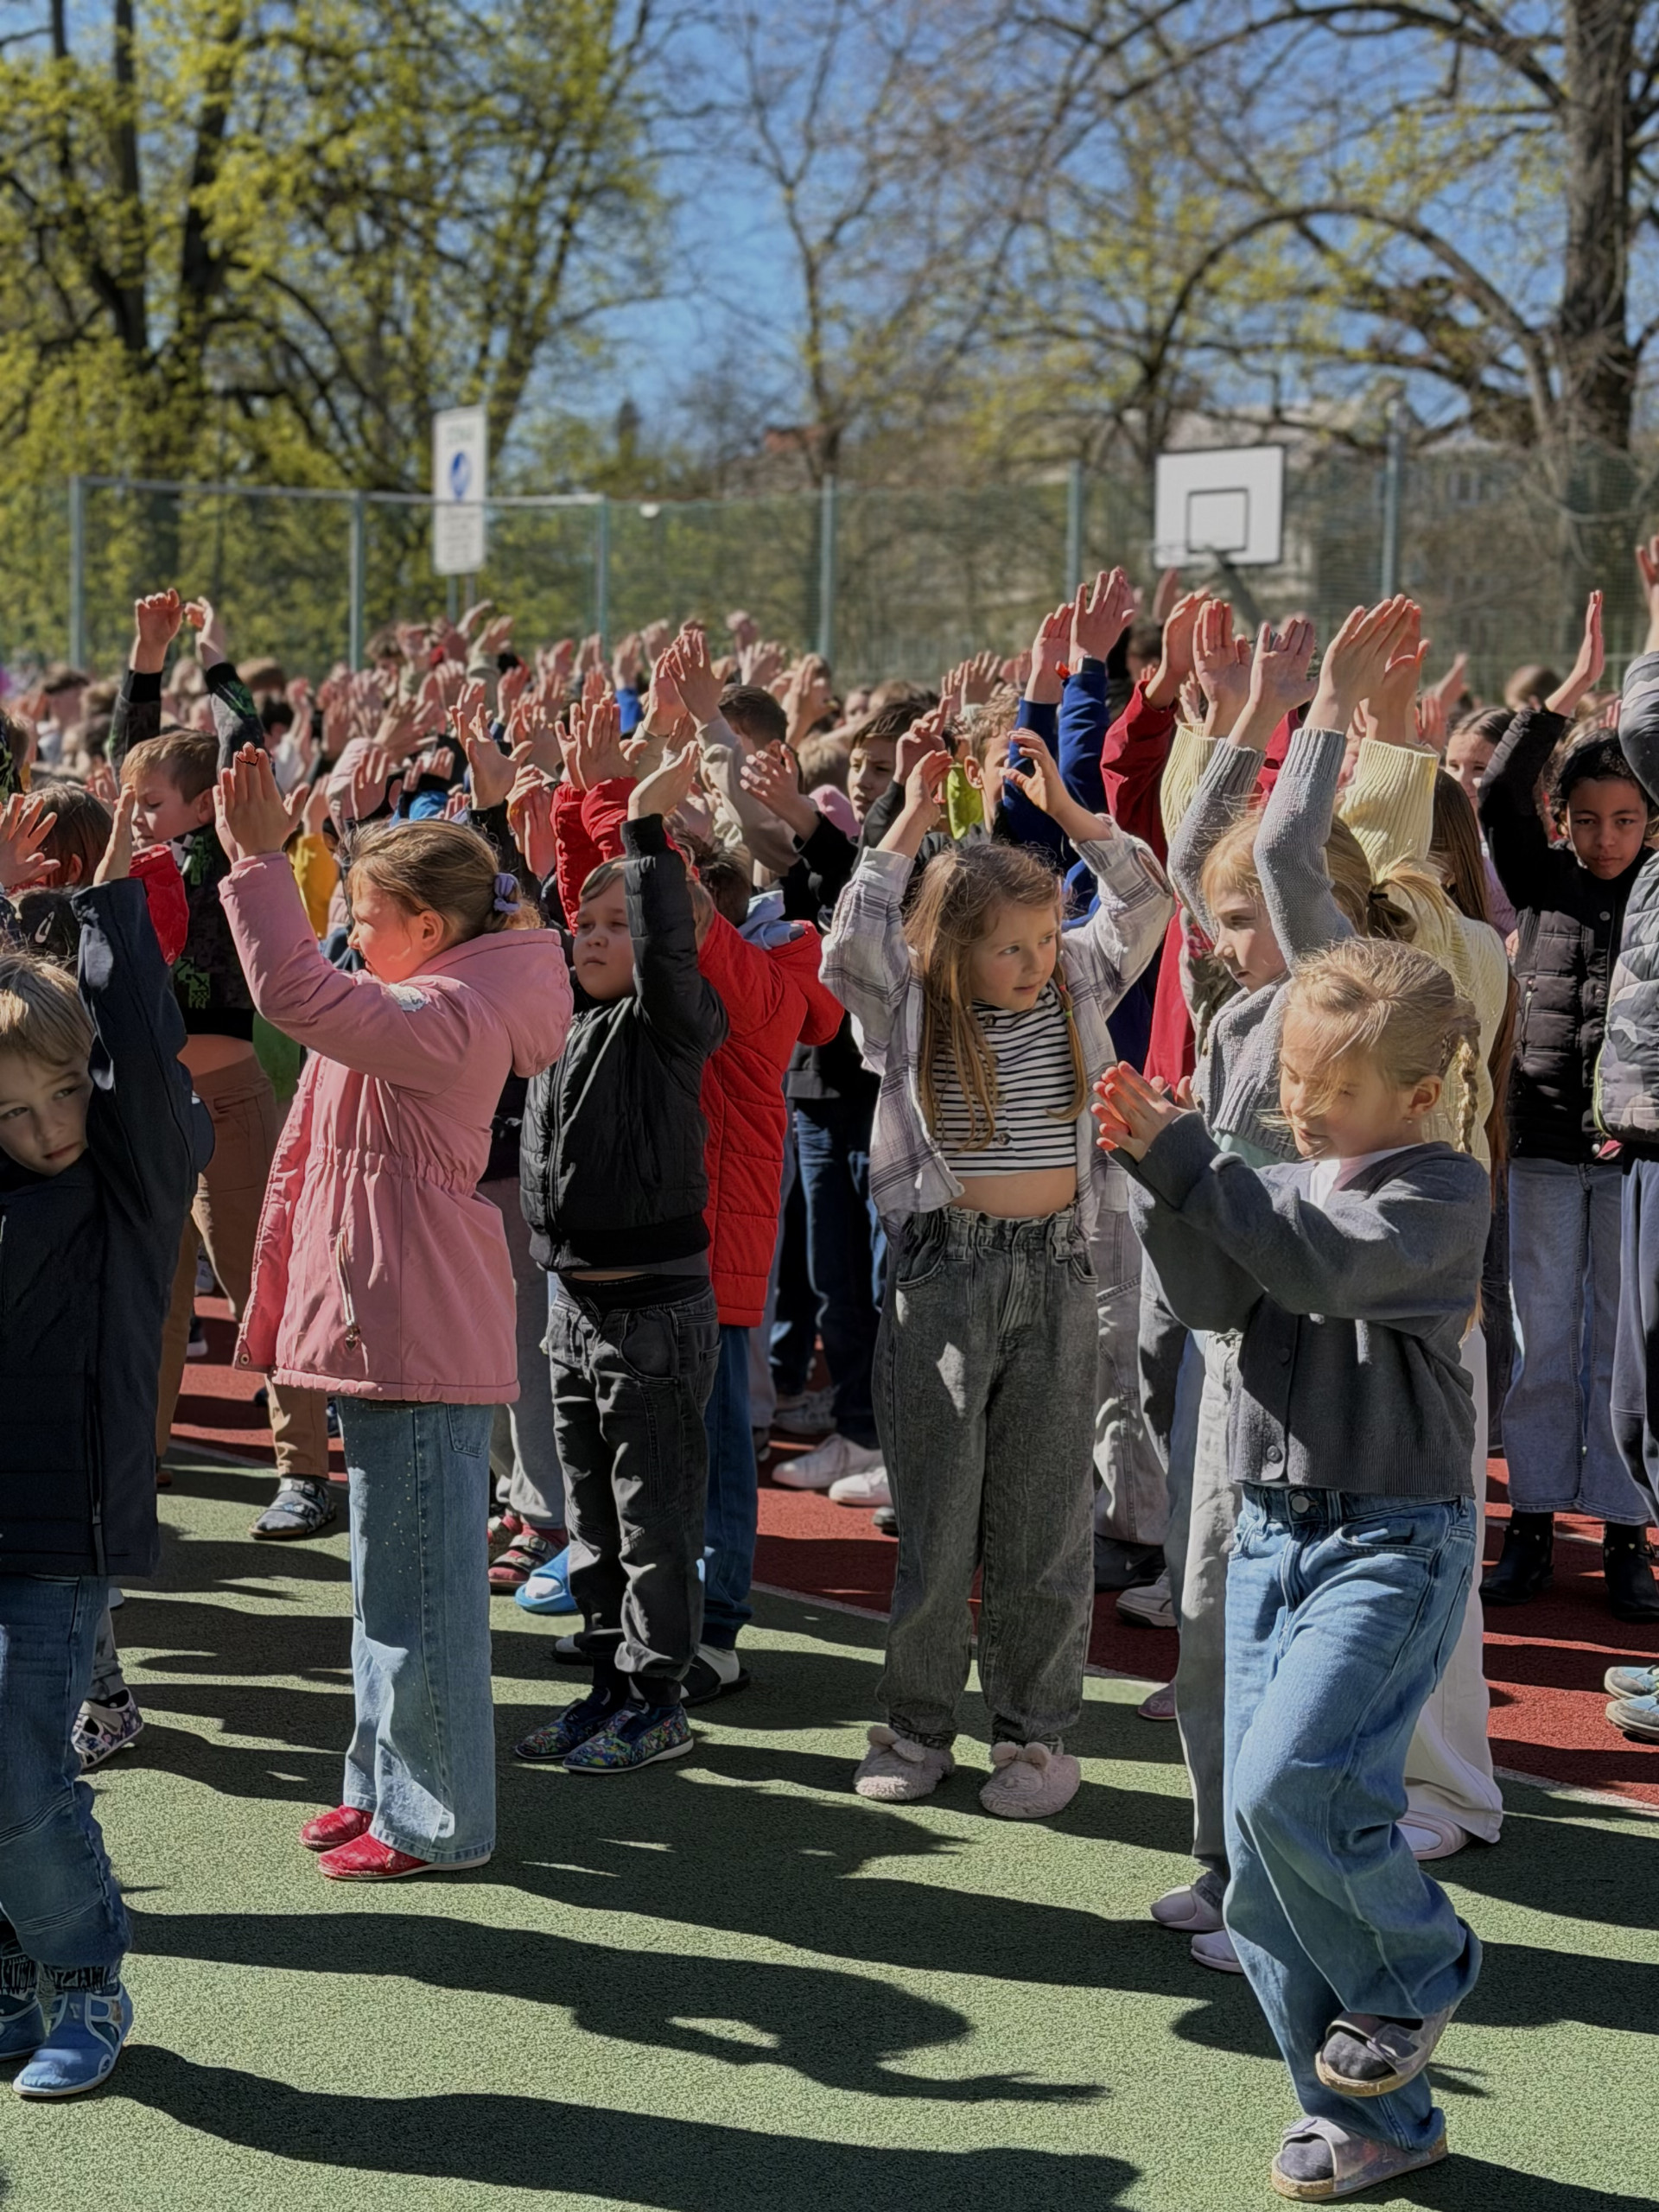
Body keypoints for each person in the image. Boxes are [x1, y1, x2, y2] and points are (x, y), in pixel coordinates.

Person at [1098, 935, 1488, 2202]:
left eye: (1336, 1087)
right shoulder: (1283, 1178)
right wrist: (1156, 1180)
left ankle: (1420, 1968)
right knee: (1260, 1862)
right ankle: (1375, 2119)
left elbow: (1323, 1263)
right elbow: (1221, 1297)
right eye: (1295, 1080)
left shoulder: (1442, 1190)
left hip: (1391, 1537)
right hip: (1273, 1527)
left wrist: (1193, 1166)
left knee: (1291, 1784)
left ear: (1418, 1096)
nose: (1303, 1104)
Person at [213, 749, 572, 1878]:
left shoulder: (445, 1013)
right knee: (389, 1585)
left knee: (423, 1596)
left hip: (416, 1329)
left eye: (364, 917)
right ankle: (381, 1788)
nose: (349, 934)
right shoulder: (430, 996)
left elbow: (293, 994)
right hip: (393, 1323)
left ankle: (439, 1818)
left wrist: (261, 862)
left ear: (425, 925)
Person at [822, 729, 1172, 1820]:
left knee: (1044, 1522)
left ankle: (1033, 1736)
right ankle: (916, 1729)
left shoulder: (1074, 984)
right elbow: (852, 945)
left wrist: (1067, 814)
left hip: (1058, 1275)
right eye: (1008, 947)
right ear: (952, 950)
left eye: (1043, 938)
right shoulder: (913, 1009)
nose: (1033, 960)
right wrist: (912, 814)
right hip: (948, 1278)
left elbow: (1146, 902)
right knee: (936, 1522)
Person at [0, 788, 209, 2097]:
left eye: (64, 1093)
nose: (48, 1128)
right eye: (14, 1112)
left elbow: (133, 1046)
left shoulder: (131, 1181)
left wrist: (113, 898)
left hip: (61, 1527)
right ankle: (16, 1978)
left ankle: (85, 1978)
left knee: (17, 1764)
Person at [512, 735, 728, 1774]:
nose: (591, 938)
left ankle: (658, 1699)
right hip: (574, 1311)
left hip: (654, 1316)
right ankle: (606, 1686)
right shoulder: (562, 1023)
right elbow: (529, 916)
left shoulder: (668, 1023)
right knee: (591, 1524)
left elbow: (668, 950)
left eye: (616, 925)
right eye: (583, 926)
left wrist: (643, 827)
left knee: (652, 1524)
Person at [112, 590, 332, 1534]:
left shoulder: (217, 853)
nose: (135, 817)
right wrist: (145, 656)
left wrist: (211, 657)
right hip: (149, 1104)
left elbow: (242, 748)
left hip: (230, 1102)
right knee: (152, 1301)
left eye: (153, 805)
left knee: (257, 1287)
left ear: (204, 808)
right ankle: (136, 1462)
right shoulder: (134, 864)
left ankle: (305, 1471)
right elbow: (131, 756)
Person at [1477, 592, 1659, 1620]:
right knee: (1542, 1337)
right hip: (1546, 1147)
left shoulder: (1658, 890)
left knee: (1622, 1348)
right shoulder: (1541, 880)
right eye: (1586, 818)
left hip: (1635, 1158)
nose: (1605, 836)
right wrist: (1568, 694)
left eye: (1626, 818)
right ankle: (1535, 1522)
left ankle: (1629, 1532)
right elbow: (1499, 788)